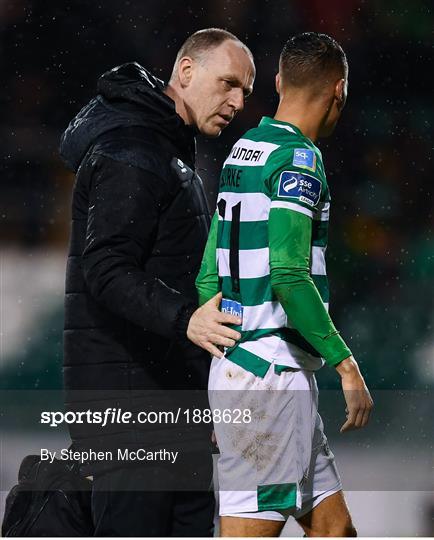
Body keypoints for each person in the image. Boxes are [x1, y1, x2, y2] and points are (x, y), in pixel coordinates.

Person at [59, 28, 255, 537]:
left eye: (246, 93)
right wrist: (186, 318)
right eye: (229, 83)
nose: (236, 102)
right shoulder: (133, 148)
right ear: (186, 72)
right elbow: (105, 268)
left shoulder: (164, 151)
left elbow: (175, 284)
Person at [195, 32, 374, 537]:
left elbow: (209, 274)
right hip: (269, 382)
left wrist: (222, 373)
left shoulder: (244, 150)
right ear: (339, 90)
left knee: (333, 529)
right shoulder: (299, 160)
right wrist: (346, 363)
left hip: (252, 370)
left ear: (277, 82)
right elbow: (290, 274)